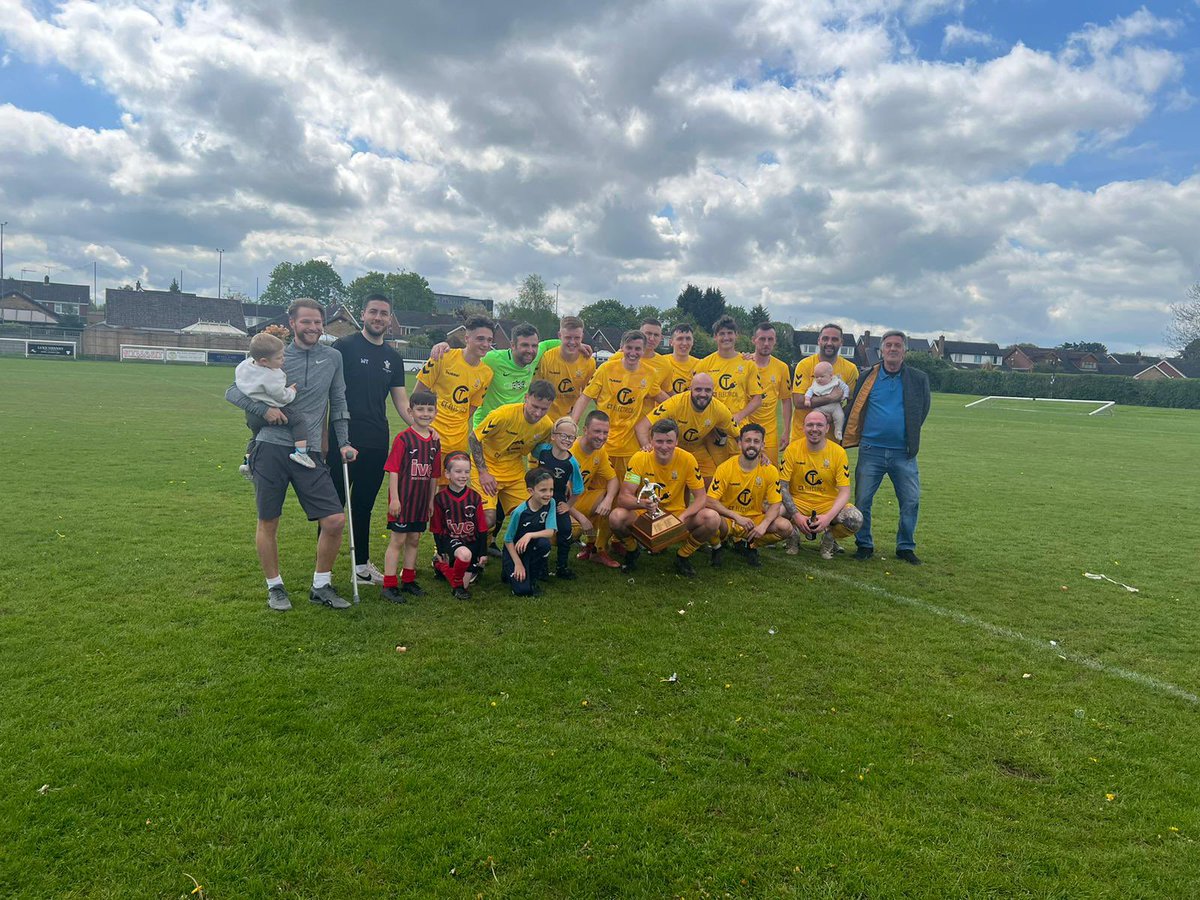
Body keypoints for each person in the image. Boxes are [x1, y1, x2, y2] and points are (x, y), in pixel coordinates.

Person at [225, 298, 357, 611]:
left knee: (335, 520)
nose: (313, 327)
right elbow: (232, 391)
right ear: (293, 323)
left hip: (308, 451)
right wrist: (263, 411)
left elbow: (338, 401)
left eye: (317, 322)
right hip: (270, 447)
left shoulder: (333, 357)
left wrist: (344, 441)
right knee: (268, 520)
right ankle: (275, 587)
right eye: (306, 321)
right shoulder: (273, 354)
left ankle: (321, 585)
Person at [331, 294, 417, 586]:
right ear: (363, 314)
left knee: (363, 506)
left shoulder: (393, 357)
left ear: (390, 319)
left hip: (377, 441)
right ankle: (323, 569)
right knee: (334, 507)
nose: (378, 317)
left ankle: (361, 567)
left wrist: (421, 427)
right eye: (373, 312)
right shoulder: (343, 347)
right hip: (342, 440)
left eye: (384, 313)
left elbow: (401, 400)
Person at [843, 330, 931, 565]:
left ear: (905, 351)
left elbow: (922, 410)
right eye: (888, 345)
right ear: (881, 350)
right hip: (871, 450)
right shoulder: (867, 376)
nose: (893, 349)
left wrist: (907, 434)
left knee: (911, 501)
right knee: (863, 501)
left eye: (897, 345)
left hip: (904, 453)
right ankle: (864, 544)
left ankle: (905, 546)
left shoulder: (918, 378)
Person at [609, 418, 720, 577]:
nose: (664, 446)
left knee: (712, 518)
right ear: (651, 440)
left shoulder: (688, 459)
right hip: (646, 515)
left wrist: (683, 516)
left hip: (676, 515)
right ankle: (632, 551)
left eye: (669, 441)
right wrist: (643, 504)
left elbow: (701, 498)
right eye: (659, 441)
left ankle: (683, 556)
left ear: (676, 442)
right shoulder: (639, 458)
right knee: (616, 517)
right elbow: (623, 497)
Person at [572, 330, 667, 480]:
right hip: (602, 442)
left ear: (643, 350)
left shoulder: (650, 373)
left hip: (629, 447)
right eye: (629, 348)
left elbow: (660, 396)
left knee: (628, 486)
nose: (633, 353)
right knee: (598, 486)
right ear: (622, 347)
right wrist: (572, 424)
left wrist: (681, 405)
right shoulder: (606, 368)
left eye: (637, 349)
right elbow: (585, 397)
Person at [468, 379, 557, 532]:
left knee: (530, 515)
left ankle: (514, 545)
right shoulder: (503, 414)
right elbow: (474, 438)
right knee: (488, 519)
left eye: (544, 409)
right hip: (487, 466)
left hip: (514, 471)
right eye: (535, 406)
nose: (538, 413)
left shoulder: (546, 426)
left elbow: (539, 452)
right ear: (526, 398)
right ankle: (464, 541)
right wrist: (483, 472)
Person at [379, 388, 441, 602]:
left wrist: (431, 500)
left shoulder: (435, 441)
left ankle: (408, 580)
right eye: (420, 409)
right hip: (403, 500)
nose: (425, 414)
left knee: (414, 539)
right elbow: (393, 470)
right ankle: (389, 584)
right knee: (398, 540)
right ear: (410, 411)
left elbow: (434, 474)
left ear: (436, 412)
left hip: (421, 501)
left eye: (430, 410)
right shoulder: (403, 439)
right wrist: (395, 499)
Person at [780, 409, 863, 559]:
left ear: (827, 428)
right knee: (768, 509)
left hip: (827, 504)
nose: (814, 429)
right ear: (803, 428)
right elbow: (782, 487)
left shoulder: (838, 452)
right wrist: (796, 516)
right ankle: (792, 534)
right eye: (810, 425)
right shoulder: (792, 449)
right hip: (799, 502)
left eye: (819, 425)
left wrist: (828, 517)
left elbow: (845, 491)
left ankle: (829, 537)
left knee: (854, 519)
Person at [707, 423, 792, 567]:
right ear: (740, 443)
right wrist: (736, 517)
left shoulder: (770, 470)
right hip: (728, 520)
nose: (752, 445)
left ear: (763, 445)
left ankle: (751, 545)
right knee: (709, 517)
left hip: (753, 521)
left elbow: (775, 504)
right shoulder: (725, 468)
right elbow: (710, 500)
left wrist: (764, 525)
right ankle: (717, 546)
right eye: (747, 440)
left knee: (785, 527)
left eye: (756, 441)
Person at [416, 315, 495, 462]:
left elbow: (471, 408)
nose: (485, 344)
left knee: (452, 478)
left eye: (489, 340)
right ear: (467, 338)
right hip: (430, 435)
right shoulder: (442, 357)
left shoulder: (487, 374)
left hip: (458, 442)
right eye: (480, 339)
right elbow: (417, 394)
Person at [636, 373, 734, 483]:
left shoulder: (720, 409)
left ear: (713, 392)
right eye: (698, 389)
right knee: (672, 483)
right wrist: (647, 446)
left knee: (711, 483)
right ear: (690, 389)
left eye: (707, 390)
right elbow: (641, 426)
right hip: (671, 449)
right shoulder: (675, 403)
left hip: (697, 449)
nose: (703, 394)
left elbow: (738, 434)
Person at [234, 332, 309, 474]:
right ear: (264, 361)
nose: (283, 360)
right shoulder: (273, 376)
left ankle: (248, 461)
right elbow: (282, 397)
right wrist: (291, 391)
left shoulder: (245, 366)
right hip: (272, 410)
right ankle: (301, 453)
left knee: (255, 436)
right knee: (299, 420)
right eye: (279, 358)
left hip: (251, 415)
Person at [696, 315, 764, 461]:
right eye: (722, 334)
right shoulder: (704, 364)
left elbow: (757, 399)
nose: (726, 337)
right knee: (717, 470)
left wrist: (739, 416)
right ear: (715, 337)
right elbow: (694, 397)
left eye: (729, 333)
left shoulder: (748, 364)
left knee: (740, 468)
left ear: (736, 335)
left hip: (739, 427)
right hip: (713, 429)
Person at [533, 417, 589, 579]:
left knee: (565, 530)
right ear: (553, 436)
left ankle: (562, 567)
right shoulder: (542, 451)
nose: (567, 440)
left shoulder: (572, 463)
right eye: (563, 435)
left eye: (571, 437)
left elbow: (578, 489)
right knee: (538, 529)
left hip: (558, 501)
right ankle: (540, 567)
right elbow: (530, 449)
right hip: (538, 500)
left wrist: (568, 505)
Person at [430, 452, 488, 601]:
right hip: (451, 540)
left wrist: (482, 552)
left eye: (467, 472)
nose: (463, 476)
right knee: (464, 557)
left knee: (465, 582)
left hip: (471, 542)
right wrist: (441, 550)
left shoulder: (475, 497)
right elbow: (436, 527)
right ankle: (456, 585)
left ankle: (440, 566)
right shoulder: (440, 498)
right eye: (458, 471)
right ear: (447, 474)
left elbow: (482, 527)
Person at [790, 323, 858, 446]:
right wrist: (831, 398)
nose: (829, 343)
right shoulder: (804, 365)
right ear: (819, 341)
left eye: (834, 339)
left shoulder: (850, 369)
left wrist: (834, 417)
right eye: (825, 338)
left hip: (831, 440)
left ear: (841, 342)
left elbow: (853, 404)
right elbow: (798, 402)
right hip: (801, 437)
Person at [502, 467, 565, 596]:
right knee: (522, 591)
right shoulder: (520, 512)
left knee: (544, 544)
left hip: (532, 547)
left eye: (551, 489)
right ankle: (509, 570)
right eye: (543, 490)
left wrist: (529, 535)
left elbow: (550, 531)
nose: (548, 494)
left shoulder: (551, 503)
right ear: (531, 491)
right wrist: (518, 564)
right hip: (515, 550)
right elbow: (508, 540)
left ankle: (533, 574)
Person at [571, 410, 622, 569]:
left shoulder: (599, 451)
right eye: (597, 431)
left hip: (579, 500)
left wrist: (608, 500)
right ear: (585, 430)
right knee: (572, 531)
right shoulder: (569, 452)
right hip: (560, 507)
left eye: (605, 432)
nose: (601, 437)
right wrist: (581, 518)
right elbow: (555, 496)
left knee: (613, 496)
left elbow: (613, 479)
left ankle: (596, 548)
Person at [746, 322, 793, 463]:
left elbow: (786, 401)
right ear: (754, 340)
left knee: (769, 469)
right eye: (762, 339)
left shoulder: (782, 367)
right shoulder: (744, 363)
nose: (766, 343)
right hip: (745, 428)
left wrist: (786, 431)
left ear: (775, 341)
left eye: (770, 339)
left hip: (769, 432)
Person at [534, 316, 596, 421]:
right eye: (568, 337)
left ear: (582, 337)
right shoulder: (546, 358)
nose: (572, 342)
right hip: (545, 420)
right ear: (560, 336)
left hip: (570, 420)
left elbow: (587, 395)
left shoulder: (589, 362)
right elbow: (537, 390)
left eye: (577, 338)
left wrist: (574, 418)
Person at [803, 361, 850, 441]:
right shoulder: (815, 384)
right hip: (820, 407)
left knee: (840, 416)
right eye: (816, 377)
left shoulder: (836, 381)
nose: (819, 379)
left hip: (835, 406)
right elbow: (809, 391)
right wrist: (807, 399)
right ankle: (818, 432)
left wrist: (845, 396)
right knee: (815, 417)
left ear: (831, 376)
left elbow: (846, 388)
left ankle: (838, 430)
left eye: (822, 376)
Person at [661, 322, 698, 395]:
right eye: (680, 339)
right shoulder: (661, 362)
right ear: (671, 342)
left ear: (692, 342)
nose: (684, 343)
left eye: (688, 339)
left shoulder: (700, 364)